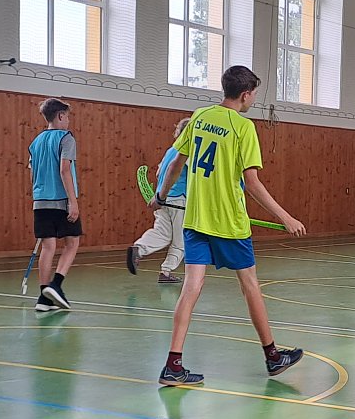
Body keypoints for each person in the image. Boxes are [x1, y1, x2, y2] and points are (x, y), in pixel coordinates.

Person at [155, 64, 307, 387]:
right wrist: (286, 217)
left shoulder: (199, 117)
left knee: (191, 287)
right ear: (245, 94)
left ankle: (173, 365)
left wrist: (160, 195)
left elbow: (176, 163)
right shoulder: (243, 128)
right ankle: (272, 356)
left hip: (196, 219)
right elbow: (252, 183)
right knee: (250, 285)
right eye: (254, 94)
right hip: (229, 221)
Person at [28, 97, 81, 312]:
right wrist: (73, 201)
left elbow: (32, 173)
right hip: (61, 199)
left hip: (40, 201)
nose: (68, 121)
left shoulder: (36, 142)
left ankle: (44, 298)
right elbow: (64, 170)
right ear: (60, 116)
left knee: (48, 247)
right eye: (67, 116)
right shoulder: (66, 138)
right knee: (72, 242)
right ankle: (56, 285)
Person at [127, 117, 191, 285]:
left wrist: (160, 195)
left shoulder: (171, 150)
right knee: (180, 240)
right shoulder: (188, 150)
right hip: (179, 199)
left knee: (162, 232)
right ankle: (166, 271)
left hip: (161, 198)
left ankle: (139, 248)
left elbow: (158, 173)